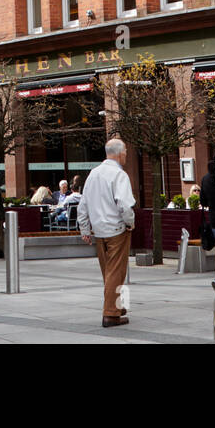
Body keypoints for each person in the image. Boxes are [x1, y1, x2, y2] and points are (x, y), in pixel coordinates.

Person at [77, 138, 136, 328]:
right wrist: (130, 222)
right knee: (116, 272)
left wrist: (85, 229)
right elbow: (125, 204)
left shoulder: (93, 174)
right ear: (119, 153)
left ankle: (119, 307)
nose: (126, 154)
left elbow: (83, 205)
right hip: (117, 229)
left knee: (109, 272)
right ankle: (111, 314)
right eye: (125, 151)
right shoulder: (119, 175)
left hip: (99, 230)